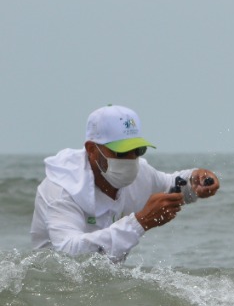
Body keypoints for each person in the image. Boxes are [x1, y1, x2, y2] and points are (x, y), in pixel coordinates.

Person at [31, 104, 220, 262]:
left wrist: (195, 180)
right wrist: (140, 222)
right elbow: (69, 254)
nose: (130, 160)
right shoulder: (62, 189)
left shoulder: (140, 173)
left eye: (137, 151)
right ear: (91, 149)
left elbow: (172, 185)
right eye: (121, 152)